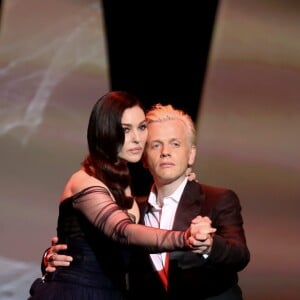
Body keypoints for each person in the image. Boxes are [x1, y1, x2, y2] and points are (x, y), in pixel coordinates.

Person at [40, 103, 250, 299]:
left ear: (191, 154)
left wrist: (208, 246)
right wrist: (53, 257)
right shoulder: (130, 209)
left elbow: (239, 255)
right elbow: (98, 249)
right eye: (156, 145)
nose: (165, 152)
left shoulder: (217, 199)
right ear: (143, 158)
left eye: (175, 144)